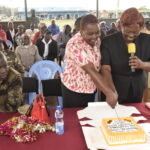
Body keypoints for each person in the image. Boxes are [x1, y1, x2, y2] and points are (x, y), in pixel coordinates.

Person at [61, 14, 117, 108]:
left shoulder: (96, 40)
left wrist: (111, 90)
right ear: (81, 31)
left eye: (97, 32)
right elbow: (91, 70)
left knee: (87, 118)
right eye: (90, 34)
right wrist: (109, 93)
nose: (95, 37)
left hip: (90, 88)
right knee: (74, 119)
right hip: (74, 91)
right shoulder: (74, 44)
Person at [101, 7, 150, 104]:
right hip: (114, 86)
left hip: (138, 88)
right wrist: (112, 91)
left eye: (135, 32)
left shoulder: (147, 40)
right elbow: (105, 68)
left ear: (141, 28)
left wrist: (142, 64)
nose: (131, 35)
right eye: (127, 32)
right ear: (121, 26)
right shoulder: (108, 42)